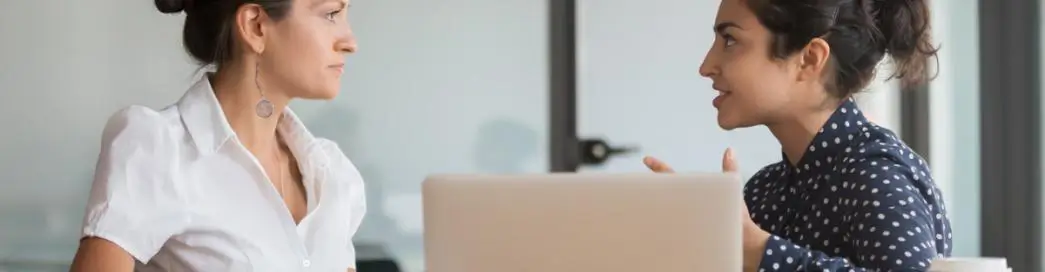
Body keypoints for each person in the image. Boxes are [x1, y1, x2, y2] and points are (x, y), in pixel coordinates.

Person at [644, 0, 952, 271]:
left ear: (810, 58)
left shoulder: (876, 174)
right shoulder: (764, 192)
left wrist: (757, 251)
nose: (706, 66)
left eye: (730, 40)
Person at [70, 0, 365, 271]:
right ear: (255, 26)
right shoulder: (159, 150)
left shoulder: (333, 175)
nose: (350, 43)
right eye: (331, 14)